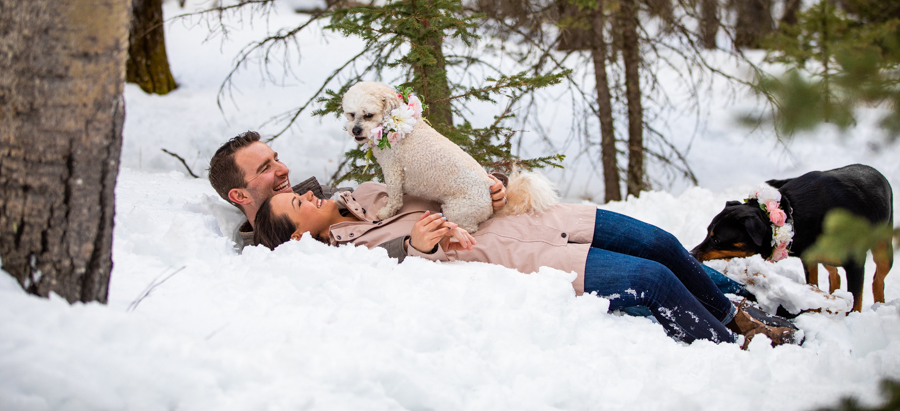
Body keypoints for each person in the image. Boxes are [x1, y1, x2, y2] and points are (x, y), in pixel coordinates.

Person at [251, 182, 800, 348]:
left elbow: (440, 173)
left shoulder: (366, 190)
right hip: (521, 253)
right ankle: (738, 347)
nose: (303, 193)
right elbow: (401, 277)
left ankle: (734, 313)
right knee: (650, 279)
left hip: (538, 214)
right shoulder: (347, 257)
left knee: (658, 242)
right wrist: (417, 245)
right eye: (294, 205)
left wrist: (482, 181)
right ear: (300, 235)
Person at [207, 131, 509, 249]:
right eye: (265, 169)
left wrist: (486, 187)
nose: (283, 169)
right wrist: (412, 248)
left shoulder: (332, 196)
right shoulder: (271, 252)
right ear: (239, 195)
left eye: (276, 158)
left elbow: (417, 189)